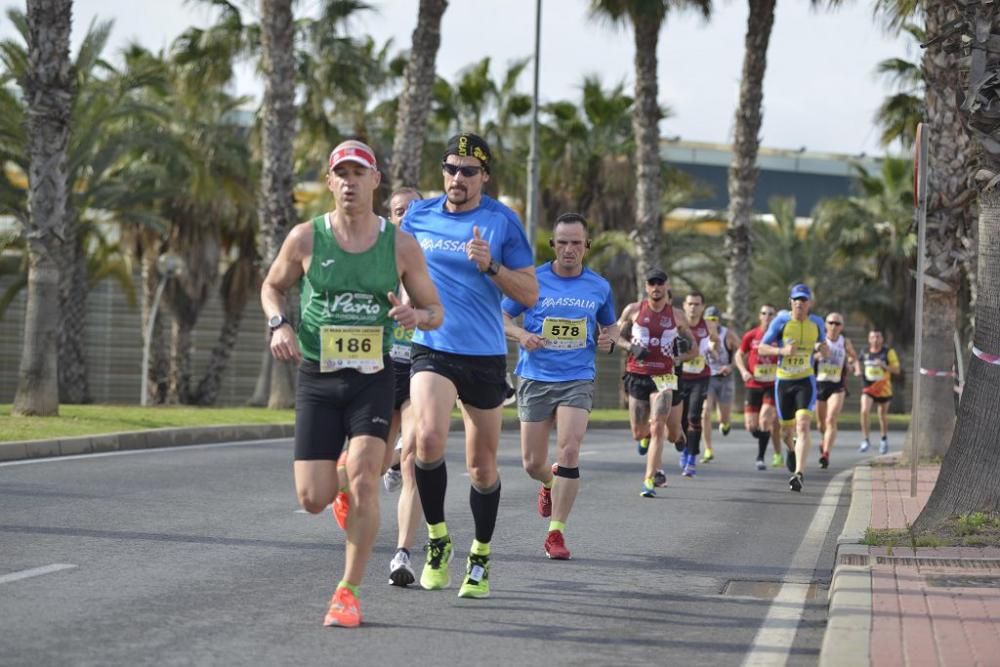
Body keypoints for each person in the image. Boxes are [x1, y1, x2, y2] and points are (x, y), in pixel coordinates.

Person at [261, 140, 442, 627]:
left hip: (372, 379)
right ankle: (334, 486)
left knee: (367, 476)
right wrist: (279, 322)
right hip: (318, 377)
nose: (348, 181)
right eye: (340, 173)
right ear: (329, 181)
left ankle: (347, 592)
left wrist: (413, 313)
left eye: (358, 173)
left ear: (374, 181)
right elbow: (272, 285)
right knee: (312, 498)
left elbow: (434, 310)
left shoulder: (400, 245)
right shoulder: (306, 238)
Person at [401, 132, 538, 599]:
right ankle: (437, 539)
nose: (458, 178)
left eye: (469, 171)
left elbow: (530, 293)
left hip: (483, 354)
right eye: (450, 168)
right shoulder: (419, 215)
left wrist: (492, 268)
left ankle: (480, 553)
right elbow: (396, 265)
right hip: (431, 344)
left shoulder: (503, 221)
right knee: (427, 438)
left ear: (484, 176)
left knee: (481, 468)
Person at [502, 213, 618, 559]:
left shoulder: (599, 286)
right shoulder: (531, 281)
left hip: (577, 376)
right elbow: (501, 315)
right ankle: (548, 482)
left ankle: (556, 533)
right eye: (563, 242)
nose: (569, 249)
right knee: (532, 463)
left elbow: (610, 327)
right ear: (553, 245)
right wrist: (522, 334)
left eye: (576, 243)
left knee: (569, 450)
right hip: (536, 376)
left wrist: (608, 338)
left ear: (587, 246)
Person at [615, 269, 695, 496]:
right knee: (639, 433)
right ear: (646, 286)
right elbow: (614, 335)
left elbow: (693, 349)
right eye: (652, 283)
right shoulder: (633, 310)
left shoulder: (677, 316)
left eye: (660, 283)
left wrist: (680, 354)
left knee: (659, 426)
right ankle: (648, 438)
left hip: (664, 377)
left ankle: (649, 480)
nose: (656, 288)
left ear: (666, 286)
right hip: (637, 375)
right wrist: (631, 347)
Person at [382, 187, 425, 587]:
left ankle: (403, 554)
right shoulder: (375, 259)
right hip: (379, 369)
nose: (406, 216)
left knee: (413, 459)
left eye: (413, 208)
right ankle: (385, 462)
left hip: (421, 369)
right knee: (370, 464)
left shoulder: (434, 262)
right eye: (398, 211)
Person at [757, 283, 827, 492]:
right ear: (791, 302)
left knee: (803, 425)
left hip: (805, 380)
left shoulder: (817, 323)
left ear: (809, 303)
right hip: (784, 381)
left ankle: (799, 474)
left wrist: (822, 349)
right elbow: (762, 347)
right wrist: (782, 351)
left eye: (803, 300)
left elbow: (823, 347)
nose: (799, 304)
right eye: (796, 300)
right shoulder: (781, 321)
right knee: (787, 430)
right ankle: (791, 449)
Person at [733, 304, 783, 470]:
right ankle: (763, 439)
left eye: (770, 314)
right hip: (753, 383)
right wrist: (743, 371)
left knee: (765, 419)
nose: (767, 316)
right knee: (751, 426)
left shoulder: (779, 336)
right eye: (764, 313)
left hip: (772, 384)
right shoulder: (752, 335)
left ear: (774, 317)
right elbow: (739, 355)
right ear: (759, 316)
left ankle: (760, 457)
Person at [814, 312, 861, 469]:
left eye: (837, 324)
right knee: (821, 424)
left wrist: (854, 367)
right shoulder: (820, 341)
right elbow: (808, 357)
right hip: (820, 384)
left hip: (837, 386)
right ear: (825, 325)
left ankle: (826, 453)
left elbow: (853, 357)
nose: (834, 326)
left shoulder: (845, 342)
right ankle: (824, 440)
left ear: (842, 327)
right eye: (831, 323)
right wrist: (817, 356)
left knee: (831, 419)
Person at [678, 291, 717, 477]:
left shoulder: (708, 325)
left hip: (701, 377)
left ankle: (692, 457)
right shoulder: (678, 322)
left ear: (702, 307)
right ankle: (685, 449)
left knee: (694, 416)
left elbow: (715, 342)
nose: (693, 307)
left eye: (697, 304)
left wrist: (711, 348)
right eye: (690, 304)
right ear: (684, 305)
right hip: (680, 376)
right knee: (682, 419)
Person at [700, 305, 741, 463]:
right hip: (708, 376)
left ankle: (725, 423)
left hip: (724, 377)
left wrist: (731, 366)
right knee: (705, 411)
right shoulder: (701, 334)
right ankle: (708, 448)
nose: (710, 323)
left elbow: (742, 351)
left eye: (714, 320)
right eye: (708, 320)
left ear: (719, 321)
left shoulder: (727, 334)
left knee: (723, 417)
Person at [858, 328, 901, 455]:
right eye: (873, 337)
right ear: (869, 339)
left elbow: (897, 370)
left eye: (878, 337)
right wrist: (854, 367)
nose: (875, 340)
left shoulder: (888, 352)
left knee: (882, 415)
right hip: (868, 387)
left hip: (883, 388)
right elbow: (857, 362)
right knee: (864, 411)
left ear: (882, 339)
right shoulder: (865, 351)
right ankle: (866, 440)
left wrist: (884, 366)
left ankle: (884, 439)